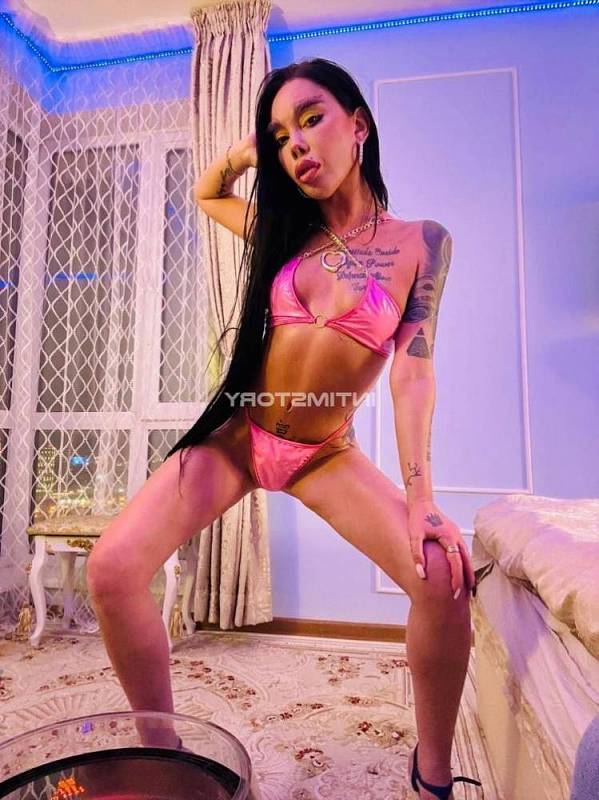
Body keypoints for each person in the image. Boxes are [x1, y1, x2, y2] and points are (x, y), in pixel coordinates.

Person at [86, 57, 481, 800]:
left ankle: (431, 776)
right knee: (111, 569)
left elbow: (413, 373)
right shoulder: (281, 230)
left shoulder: (421, 243)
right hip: (240, 437)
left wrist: (421, 499)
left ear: (358, 125)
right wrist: (249, 152)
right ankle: (165, 753)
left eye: (311, 119)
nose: (296, 144)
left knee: (441, 581)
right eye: (280, 136)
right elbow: (208, 192)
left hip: (322, 455)